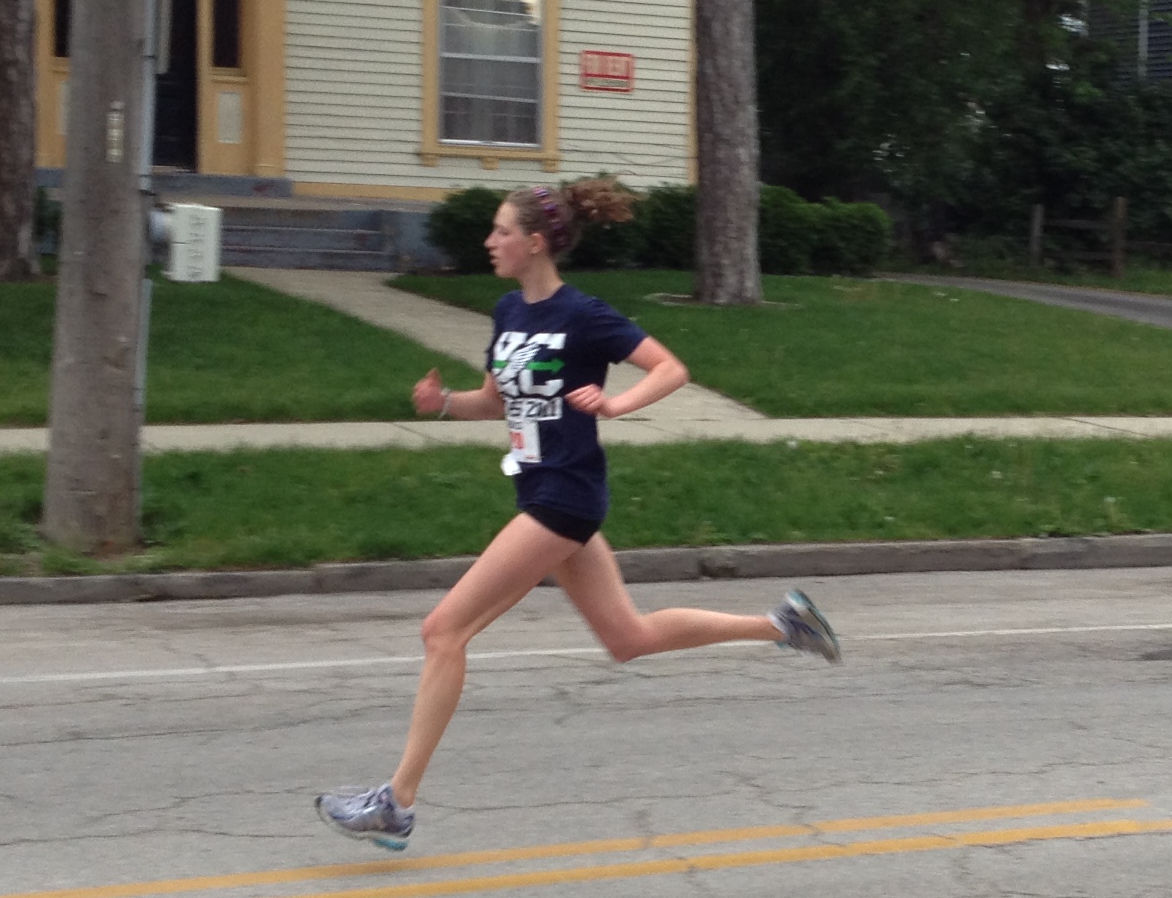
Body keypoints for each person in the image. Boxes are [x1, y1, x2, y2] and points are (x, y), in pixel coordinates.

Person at [316, 179, 843, 850]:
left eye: (502, 231)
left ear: (535, 242)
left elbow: (670, 369)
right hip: (543, 492)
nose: (490, 241)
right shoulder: (508, 311)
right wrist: (443, 403)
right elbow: (496, 401)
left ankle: (398, 802)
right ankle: (783, 625)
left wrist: (616, 404)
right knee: (627, 638)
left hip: (563, 497)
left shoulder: (583, 315)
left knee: (442, 630)